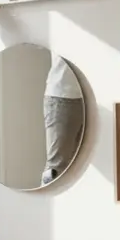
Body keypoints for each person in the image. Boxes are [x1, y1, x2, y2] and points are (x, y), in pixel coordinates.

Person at [41, 53, 85, 186]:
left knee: (81, 165)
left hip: (88, 96)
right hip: (63, 95)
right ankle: (45, 205)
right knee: (56, 168)